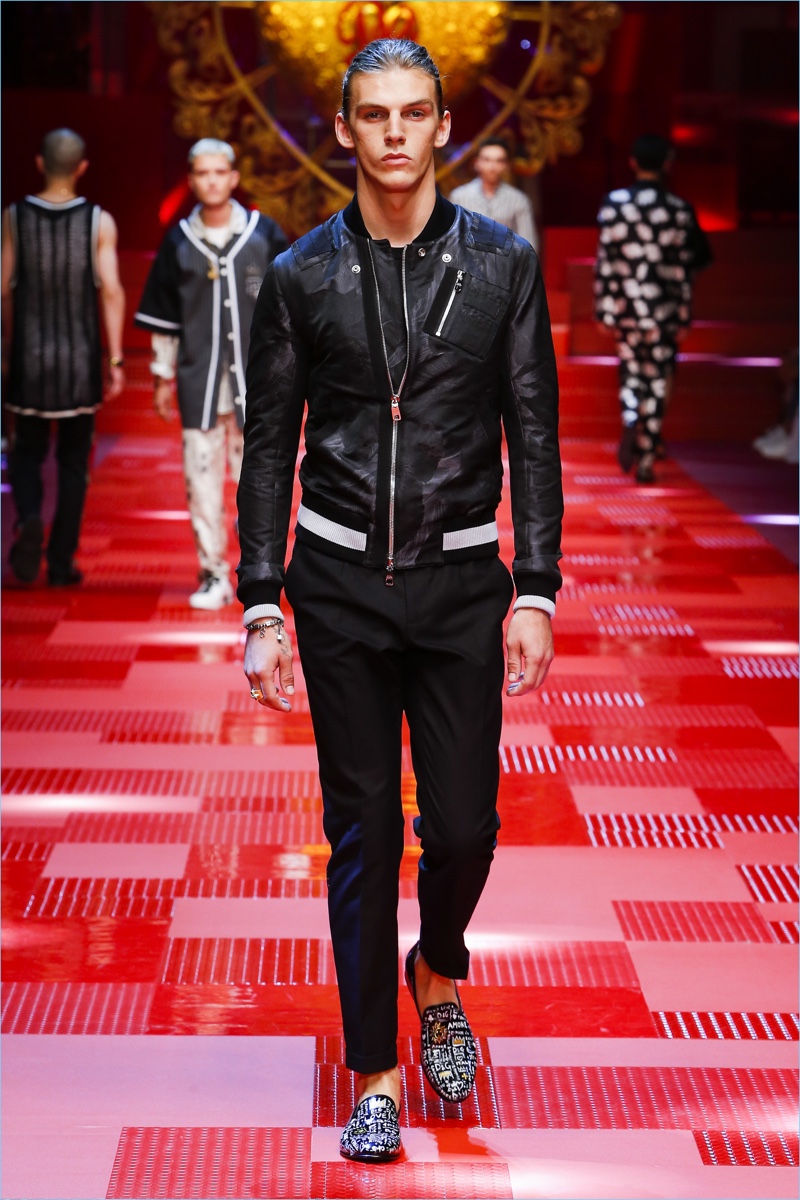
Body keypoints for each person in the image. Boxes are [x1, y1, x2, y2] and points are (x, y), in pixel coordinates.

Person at [238, 38, 562, 1163]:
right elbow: (268, 445)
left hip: (463, 579)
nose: (392, 132)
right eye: (371, 113)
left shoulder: (504, 267)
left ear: (441, 127)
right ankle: (374, 1070)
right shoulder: (299, 275)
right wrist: (261, 603)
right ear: (343, 128)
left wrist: (537, 588)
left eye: (412, 113)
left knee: (464, 828)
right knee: (363, 831)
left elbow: (533, 430)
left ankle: (439, 966)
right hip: (335, 585)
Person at [134, 139, 287, 609]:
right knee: (200, 485)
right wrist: (161, 376)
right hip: (199, 383)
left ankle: (260, 576)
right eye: (203, 173)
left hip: (257, 388)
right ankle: (212, 574)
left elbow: (289, 313)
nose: (212, 181)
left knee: (259, 484)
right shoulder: (179, 240)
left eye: (220, 172)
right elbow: (166, 317)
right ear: (192, 179)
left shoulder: (264, 235)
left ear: (234, 177)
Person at [2, 128, 126, 586]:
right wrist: (116, 359)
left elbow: (3, 289)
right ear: (81, 168)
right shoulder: (98, 221)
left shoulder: (14, 217)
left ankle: (29, 516)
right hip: (79, 360)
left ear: (40, 163)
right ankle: (60, 562)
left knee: (27, 452)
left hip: (30, 357)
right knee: (74, 464)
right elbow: (110, 290)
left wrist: (7, 348)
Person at [594, 133, 712, 484]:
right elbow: (685, 267)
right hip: (663, 309)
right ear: (667, 163)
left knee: (630, 368)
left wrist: (604, 308)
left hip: (627, 306)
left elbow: (606, 260)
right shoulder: (678, 209)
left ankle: (631, 414)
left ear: (633, 162)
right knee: (658, 376)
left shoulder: (614, 204)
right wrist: (684, 314)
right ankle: (647, 453)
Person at [449, 138, 538, 250]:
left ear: (506, 165)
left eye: (499, 161)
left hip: (506, 259)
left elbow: (528, 243)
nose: (492, 167)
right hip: (468, 259)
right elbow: (452, 239)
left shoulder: (518, 200)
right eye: (487, 160)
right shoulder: (459, 196)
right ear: (477, 162)